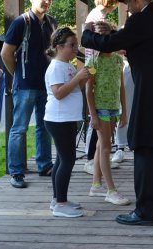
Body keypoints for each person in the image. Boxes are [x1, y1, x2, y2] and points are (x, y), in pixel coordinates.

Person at [82, 0, 153, 226]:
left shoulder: (142, 20)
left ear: (137, 0)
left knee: (142, 146)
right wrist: (116, 31)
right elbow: (134, 40)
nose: (127, 8)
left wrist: (87, 35)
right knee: (152, 147)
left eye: (128, 3)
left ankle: (145, 211)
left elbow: (110, 44)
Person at [1, 0, 57, 189]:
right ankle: (16, 171)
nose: (47, 2)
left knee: (45, 127)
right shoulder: (20, 22)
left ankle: (44, 165)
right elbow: (5, 53)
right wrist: (18, 73)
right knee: (19, 128)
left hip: (46, 85)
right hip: (25, 85)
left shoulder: (52, 23)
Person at [44, 27, 90, 218]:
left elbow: (73, 89)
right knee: (68, 160)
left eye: (76, 45)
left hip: (66, 119)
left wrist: (84, 77)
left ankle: (57, 199)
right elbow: (59, 93)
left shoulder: (67, 65)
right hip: (59, 119)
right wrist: (79, 77)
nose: (75, 49)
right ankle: (61, 205)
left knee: (62, 160)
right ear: (59, 46)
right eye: (72, 45)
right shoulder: (55, 66)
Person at [85, 26, 131, 205]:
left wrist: (124, 112)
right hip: (101, 110)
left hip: (114, 109)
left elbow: (121, 88)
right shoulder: (93, 63)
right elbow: (89, 90)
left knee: (100, 146)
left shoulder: (119, 61)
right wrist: (93, 115)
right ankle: (111, 190)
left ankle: (96, 186)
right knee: (105, 148)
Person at [83, 0, 121, 175]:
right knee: (95, 120)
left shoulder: (99, 14)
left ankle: (99, 157)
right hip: (95, 63)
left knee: (103, 123)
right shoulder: (98, 15)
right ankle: (90, 159)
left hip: (101, 64)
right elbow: (100, 40)